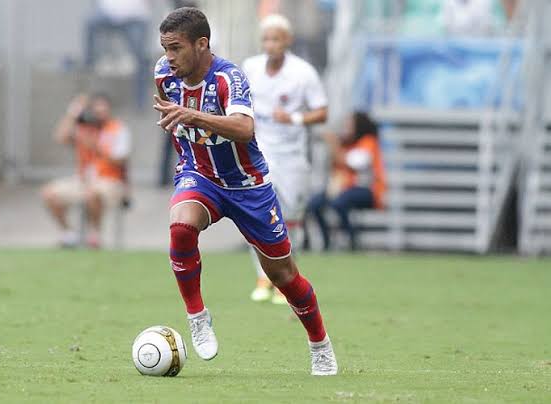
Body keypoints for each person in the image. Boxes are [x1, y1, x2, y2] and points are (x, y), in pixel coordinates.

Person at [153, 7, 337, 375]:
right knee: (181, 226)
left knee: (283, 275)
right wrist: (185, 132)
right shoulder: (163, 74)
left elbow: (243, 129)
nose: (169, 57)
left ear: (201, 44)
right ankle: (197, 316)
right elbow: (174, 120)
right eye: (165, 48)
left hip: (247, 186)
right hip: (200, 175)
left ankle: (320, 345)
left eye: (176, 48)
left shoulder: (229, 78)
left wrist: (193, 117)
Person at [242, 14, 328, 305]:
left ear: (287, 41)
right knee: (259, 215)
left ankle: (287, 281)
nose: (270, 44)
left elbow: (322, 112)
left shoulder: (303, 73)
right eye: (266, 39)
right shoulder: (250, 68)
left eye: (276, 39)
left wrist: (292, 118)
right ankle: (263, 278)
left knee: (291, 217)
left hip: (292, 155)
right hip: (260, 152)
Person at [41, 93, 131, 249]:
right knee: (49, 193)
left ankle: (94, 235)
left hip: (110, 181)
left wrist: (96, 147)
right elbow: (60, 137)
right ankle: (68, 235)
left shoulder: (117, 129)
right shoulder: (84, 128)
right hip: (83, 179)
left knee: (92, 194)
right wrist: (73, 113)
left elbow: (121, 159)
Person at [307, 112, 386, 251]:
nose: (346, 128)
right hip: (344, 190)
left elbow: (353, 163)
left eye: (350, 125)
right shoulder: (346, 144)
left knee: (340, 202)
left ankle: (351, 239)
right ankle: (327, 242)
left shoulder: (368, 142)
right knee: (314, 204)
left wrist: (333, 144)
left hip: (368, 190)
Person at [84, 0, 151, 110]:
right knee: (89, 24)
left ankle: (141, 102)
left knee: (142, 58)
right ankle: (88, 67)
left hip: (135, 17)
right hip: (108, 13)